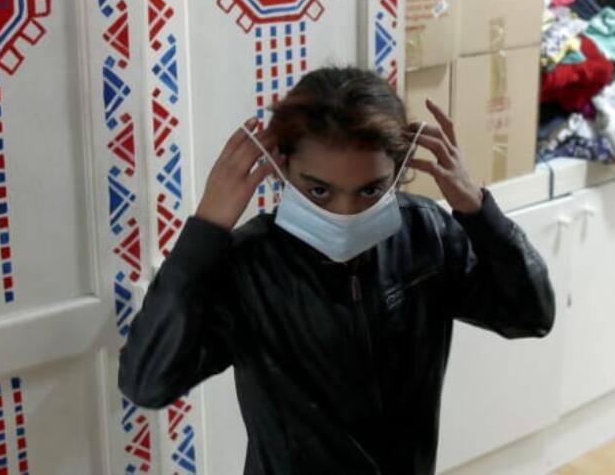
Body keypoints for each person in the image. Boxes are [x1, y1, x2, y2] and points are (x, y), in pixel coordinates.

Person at [118, 66, 555, 474]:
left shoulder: (426, 235)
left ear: (400, 169)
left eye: (370, 189)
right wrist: (206, 232)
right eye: (319, 190)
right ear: (282, 166)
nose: (346, 212)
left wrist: (478, 212)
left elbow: (530, 315)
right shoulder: (249, 264)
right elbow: (147, 382)